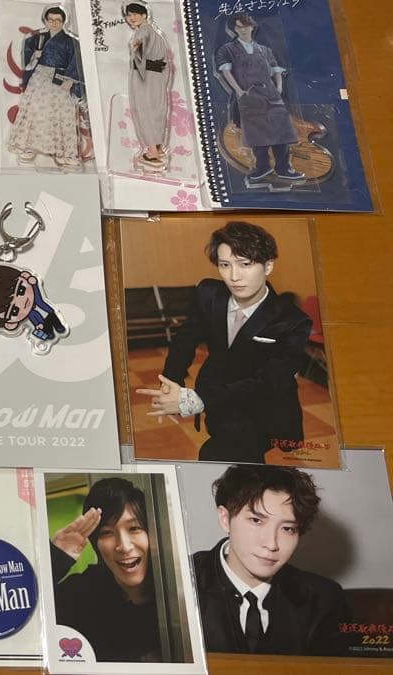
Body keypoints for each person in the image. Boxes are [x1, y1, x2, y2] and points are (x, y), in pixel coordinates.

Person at [135, 221, 311, 463]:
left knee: (224, 456)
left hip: (262, 405)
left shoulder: (293, 320)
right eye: (225, 265)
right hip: (216, 391)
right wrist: (171, 381)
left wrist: (197, 399)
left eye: (245, 264)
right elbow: (185, 338)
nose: (234, 277)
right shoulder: (208, 293)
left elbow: (270, 381)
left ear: (268, 265)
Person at [191, 465, 347, 655]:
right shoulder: (176, 584)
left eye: (287, 529)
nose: (271, 544)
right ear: (225, 519)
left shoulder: (324, 599)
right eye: (256, 521)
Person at [49, 477, 161, 662]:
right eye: (107, 532)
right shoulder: (81, 594)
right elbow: (21, 613)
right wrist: (56, 557)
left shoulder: (176, 594)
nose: (123, 546)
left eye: (134, 528)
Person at [215, 13, 304, 186]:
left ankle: (284, 168)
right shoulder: (227, 49)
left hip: (271, 95)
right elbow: (226, 71)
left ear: (252, 27)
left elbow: (276, 69)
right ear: (234, 29)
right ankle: (263, 167)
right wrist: (239, 91)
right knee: (257, 134)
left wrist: (278, 88)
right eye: (239, 27)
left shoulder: (264, 50)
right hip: (249, 96)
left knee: (281, 132)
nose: (243, 30)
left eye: (246, 26)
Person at [6, 7, 85, 167]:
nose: (54, 23)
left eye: (58, 20)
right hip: (40, 76)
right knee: (35, 111)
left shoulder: (71, 42)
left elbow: (76, 61)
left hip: (62, 78)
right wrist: (34, 57)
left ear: (64, 22)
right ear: (45, 21)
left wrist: (70, 80)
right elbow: (27, 62)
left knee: (62, 113)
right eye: (51, 20)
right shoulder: (35, 39)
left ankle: (65, 151)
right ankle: (29, 147)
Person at [124, 3, 171, 171]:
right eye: (129, 15)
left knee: (145, 111)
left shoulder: (143, 32)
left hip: (144, 76)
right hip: (156, 77)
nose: (131, 18)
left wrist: (133, 50)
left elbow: (137, 55)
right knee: (156, 110)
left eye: (135, 14)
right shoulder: (155, 35)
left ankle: (152, 151)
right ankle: (158, 147)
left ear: (144, 15)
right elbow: (165, 64)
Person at [0, 265, 66, 341]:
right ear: (10, 325)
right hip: (43, 323)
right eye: (14, 310)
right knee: (48, 332)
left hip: (50, 313)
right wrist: (38, 325)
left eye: (21, 290)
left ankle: (58, 326)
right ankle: (50, 333)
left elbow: (39, 299)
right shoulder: (31, 315)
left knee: (55, 321)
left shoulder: (37, 300)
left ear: (24, 276)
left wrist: (34, 285)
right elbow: (35, 320)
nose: (23, 302)